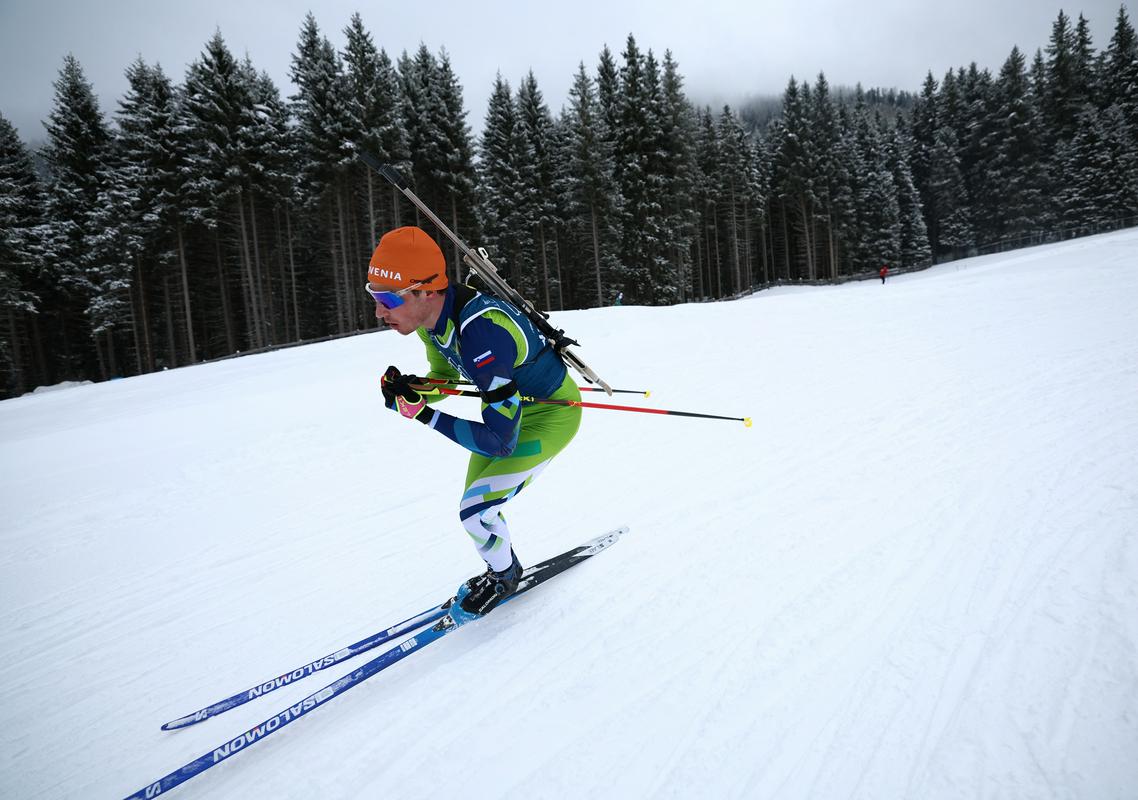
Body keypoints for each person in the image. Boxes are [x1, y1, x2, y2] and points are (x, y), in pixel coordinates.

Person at [366, 226, 582, 625]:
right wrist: (412, 390)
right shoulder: (433, 321)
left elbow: (499, 442)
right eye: (373, 295)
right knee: (476, 510)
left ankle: (504, 578)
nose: (379, 311)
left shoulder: (481, 334)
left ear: (424, 291)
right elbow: (444, 378)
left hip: (548, 417)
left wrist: (423, 414)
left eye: (387, 299)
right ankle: (503, 570)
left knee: (476, 511)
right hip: (510, 411)